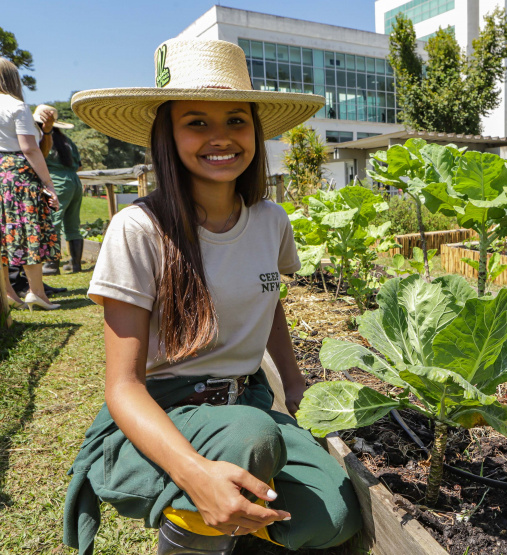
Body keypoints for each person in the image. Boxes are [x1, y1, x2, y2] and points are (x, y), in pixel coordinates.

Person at [63, 38, 360, 555]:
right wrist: (196, 473)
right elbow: (123, 387)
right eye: (197, 122)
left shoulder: (270, 221)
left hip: (249, 401)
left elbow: (269, 302)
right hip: (163, 414)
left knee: (332, 516)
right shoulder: (139, 229)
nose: (220, 137)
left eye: (236, 121)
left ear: (255, 130)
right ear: (167, 134)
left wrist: (293, 382)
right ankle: (192, 523)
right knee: (248, 439)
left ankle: (226, 530)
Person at [0, 58, 62, 311]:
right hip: (19, 175)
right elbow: (30, 149)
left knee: (4, 232)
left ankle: (8, 294)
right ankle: (37, 293)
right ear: (14, 79)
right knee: (29, 230)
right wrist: (48, 184)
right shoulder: (17, 106)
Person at [33, 104, 84, 275]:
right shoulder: (67, 141)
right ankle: (76, 264)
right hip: (75, 182)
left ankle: (51, 265)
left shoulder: (43, 138)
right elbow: (79, 166)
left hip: (57, 183)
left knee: (52, 222)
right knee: (73, 224)